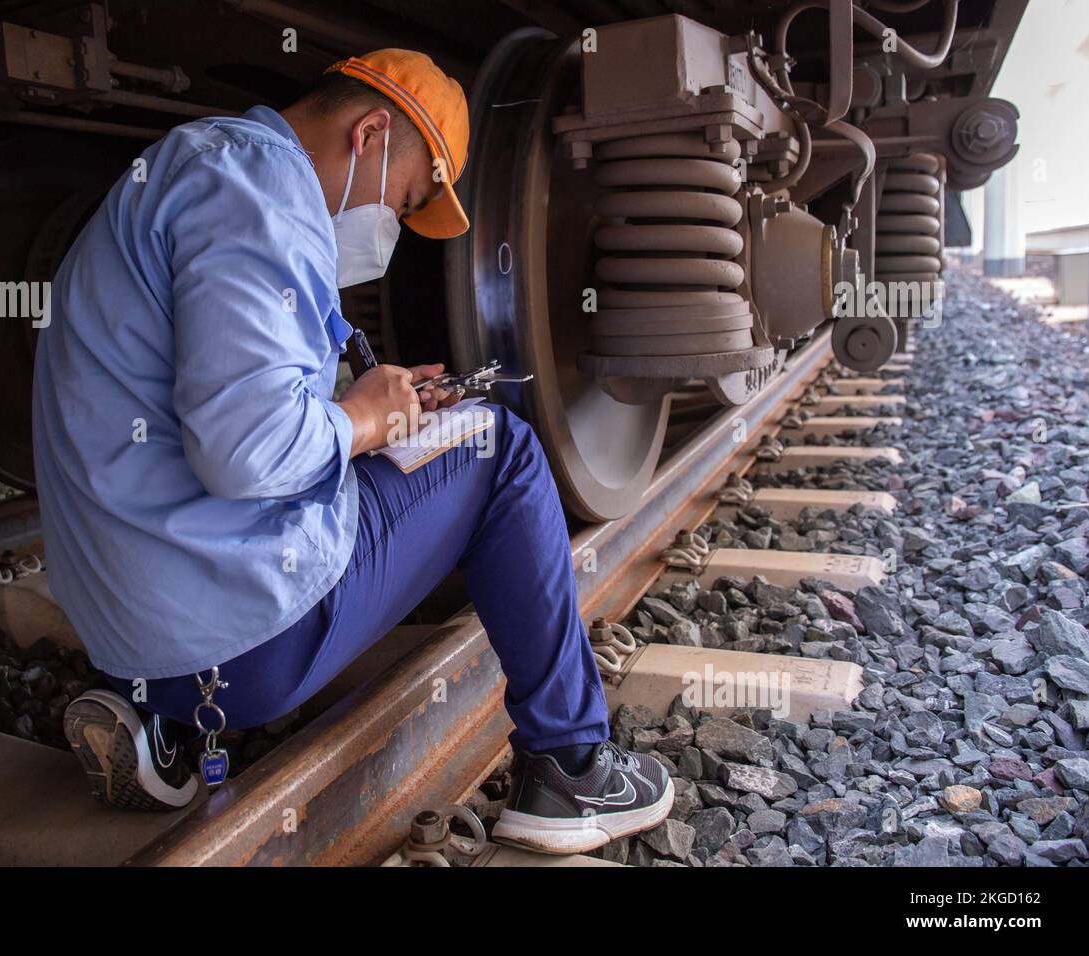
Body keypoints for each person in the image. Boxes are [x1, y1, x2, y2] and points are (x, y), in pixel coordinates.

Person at [33, 49, 672, 854]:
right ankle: (572, 766)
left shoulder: (189, 168)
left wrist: (372, 410)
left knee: (409, 442)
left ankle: (165, 728)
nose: (394, 231)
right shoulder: (262, 191)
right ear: (370, 132)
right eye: (406, 202)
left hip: (128, 635)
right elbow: (246, 451)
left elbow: (214, 403)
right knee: (500, 448)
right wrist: (364, 424)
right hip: (243, 648)